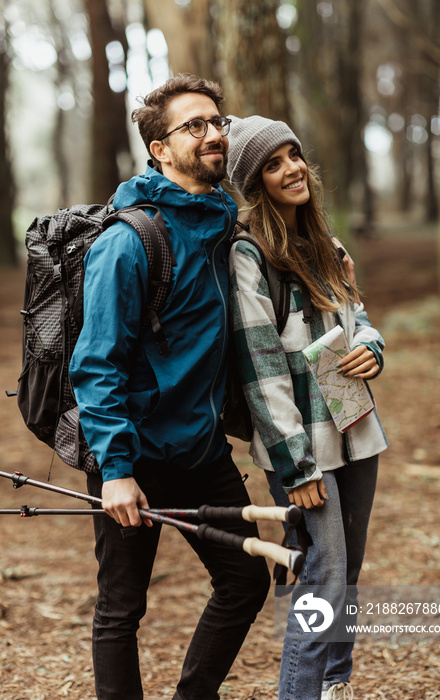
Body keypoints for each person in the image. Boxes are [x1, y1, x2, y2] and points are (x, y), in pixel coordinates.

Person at [69, 75, 270, 700]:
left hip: (203, 450)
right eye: (195, 126)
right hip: (138, 453)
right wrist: (116, 470)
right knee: (122, 608)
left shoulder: (222, 224)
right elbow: (96, 365)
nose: (214, 134)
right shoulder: (128, 242)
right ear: (159, 149)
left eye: (218, 122)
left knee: (245, 580)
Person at [226, 115, 389, 700]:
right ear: (255, 181)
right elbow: (260, 365)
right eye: (273, 163)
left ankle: (335, 686)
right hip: (303, 449)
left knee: (348, 572)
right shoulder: (249, 255)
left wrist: (372, 347)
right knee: (321, 576)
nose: (292, 168)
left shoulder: (328, 243)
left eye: (293, 154)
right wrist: (295, 466)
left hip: (356, 426)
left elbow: (359, 317)